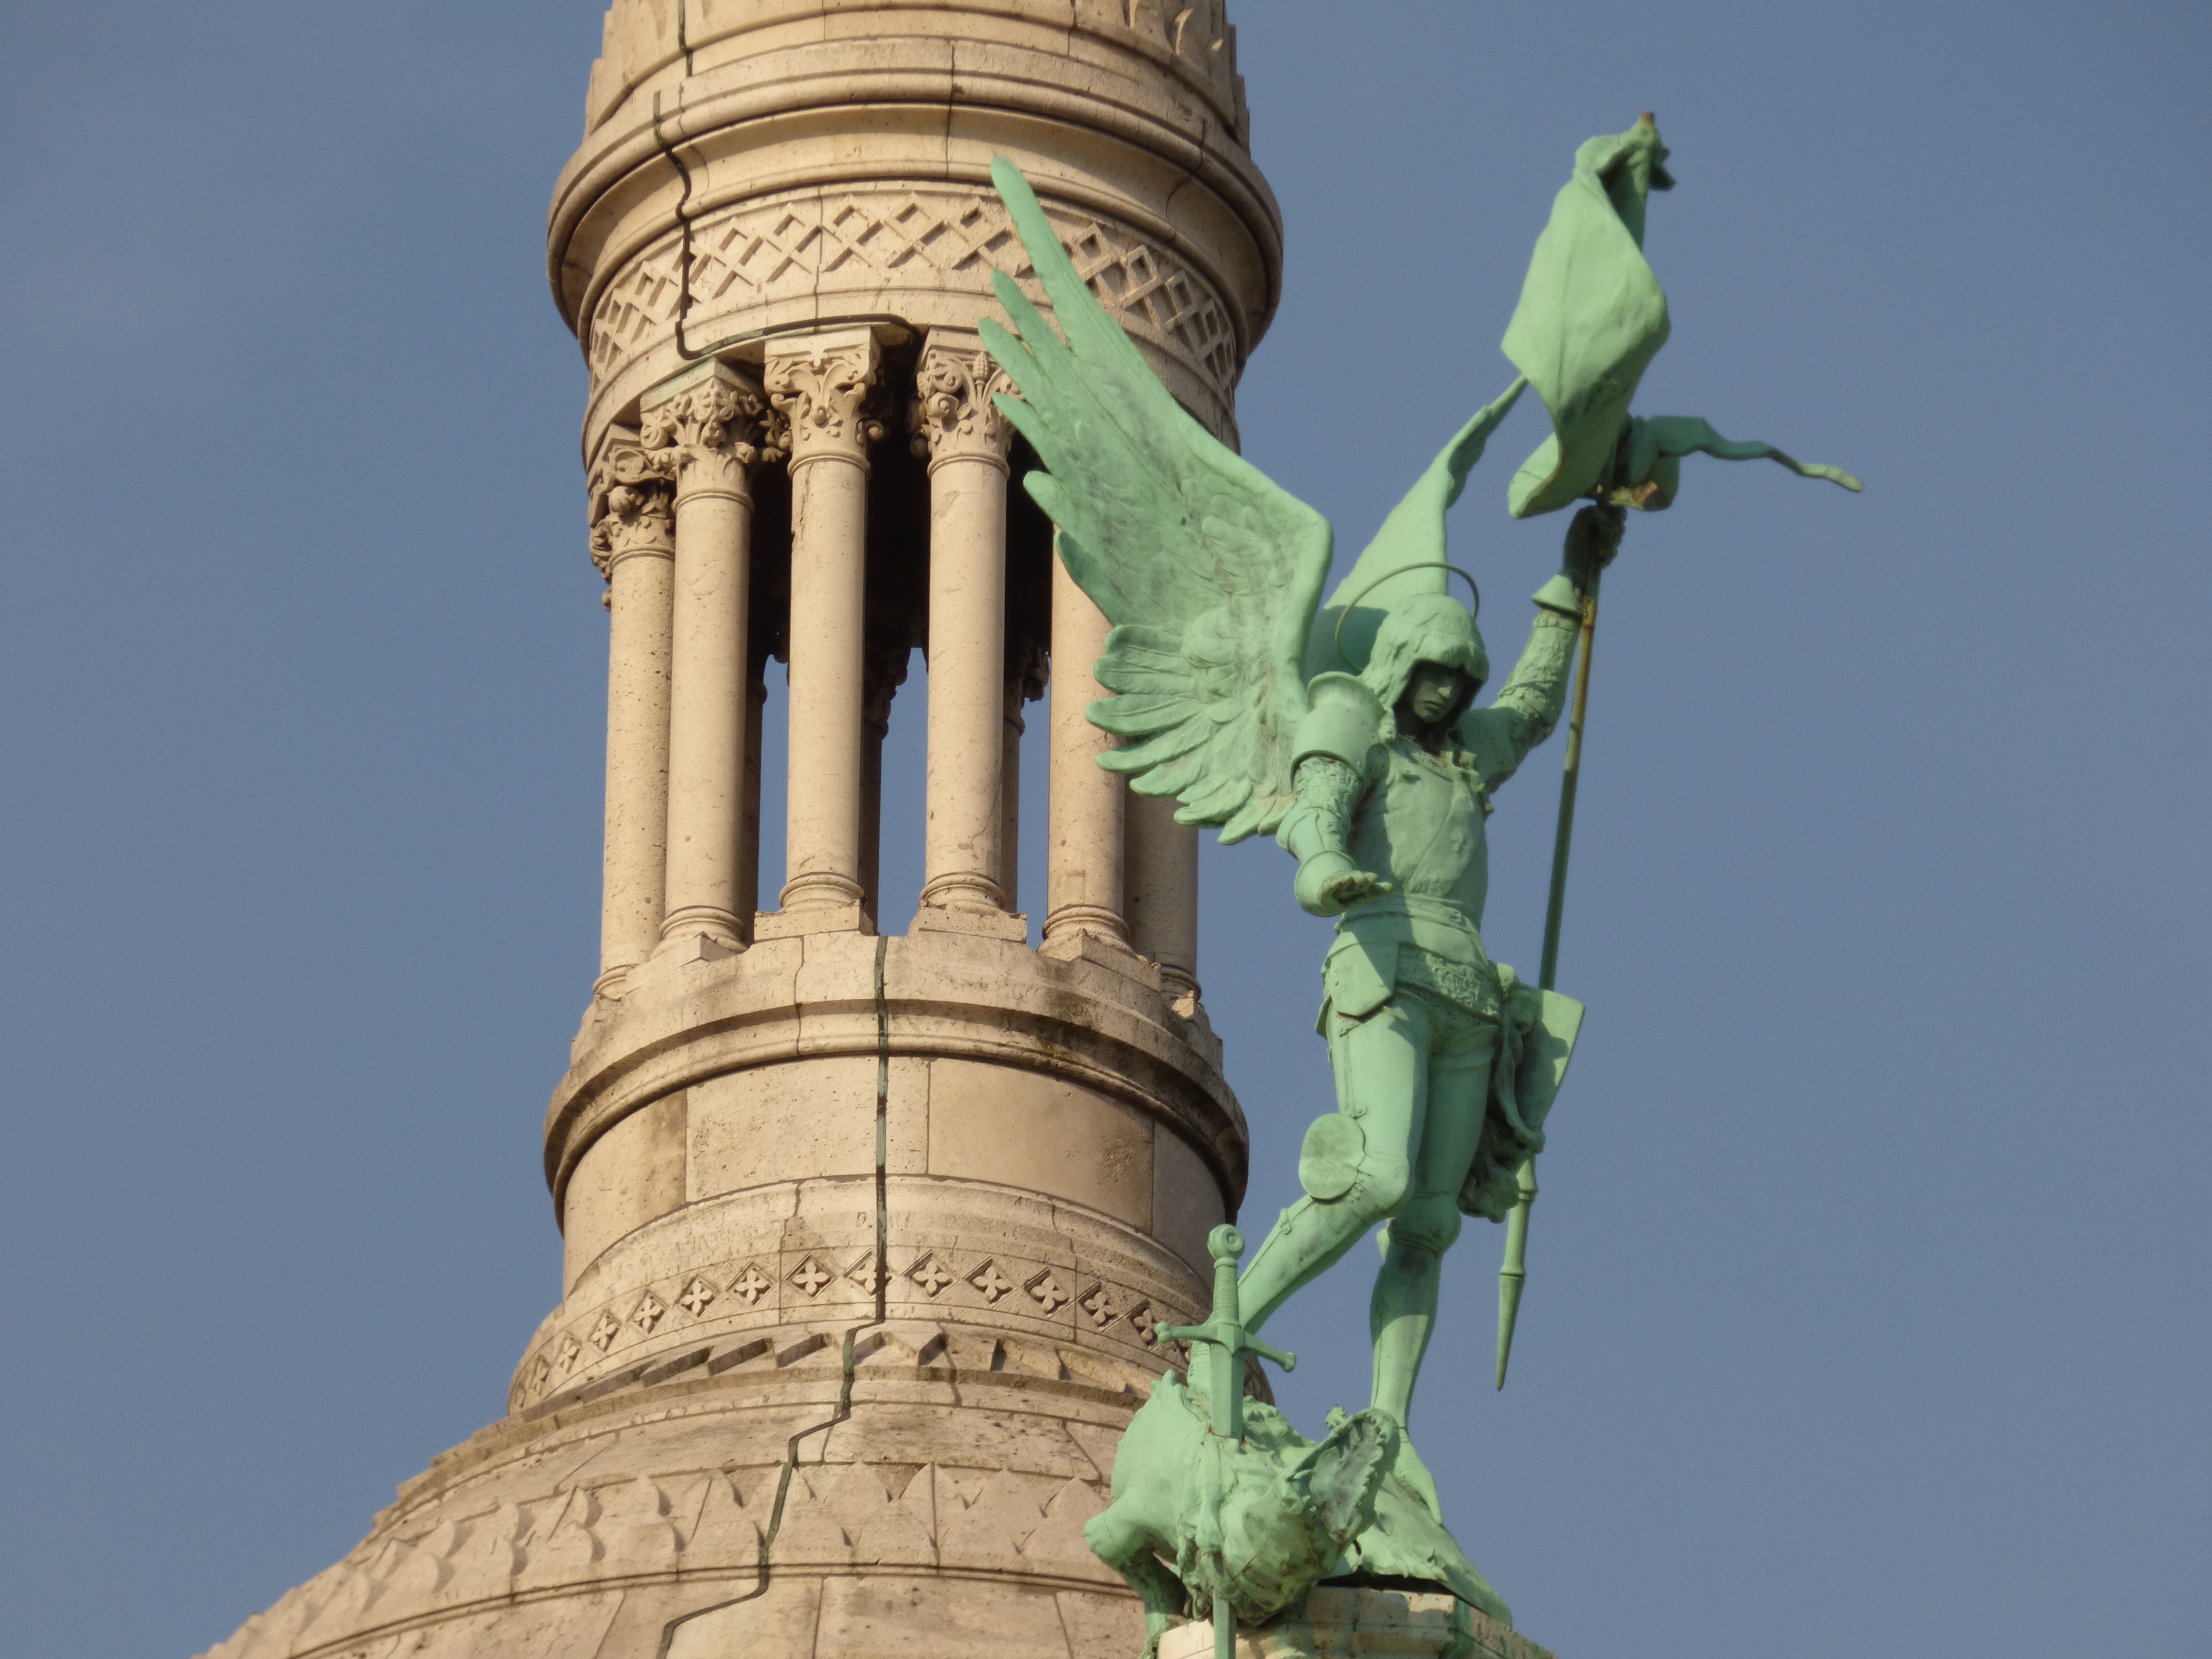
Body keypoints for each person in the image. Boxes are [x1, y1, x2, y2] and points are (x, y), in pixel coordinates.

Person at [1238, 505, 1621, 1515]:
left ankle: (1389, 1423)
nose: (1447, 691)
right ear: (1400, 666)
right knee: (1375, 1176)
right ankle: (1227, 1324)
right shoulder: (1352, 730)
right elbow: (1312, 818)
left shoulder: (1465, 757)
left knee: (1430, 1224)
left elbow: (1534, 709)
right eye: (1432, 672)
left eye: (1460, 677)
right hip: (1381, 965)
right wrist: (1324, 870)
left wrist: (1570, 585)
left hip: (1473, 999)